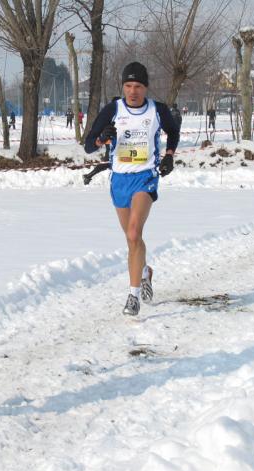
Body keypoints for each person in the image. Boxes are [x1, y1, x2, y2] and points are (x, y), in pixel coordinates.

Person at [83, 62, 179, 317]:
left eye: (138, 86)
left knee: (135, 232)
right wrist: (102, 138)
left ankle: (133, 295)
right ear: (123, 87)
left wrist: (169, 154)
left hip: (145, 177)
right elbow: (88, 146)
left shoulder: (157, 110)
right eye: (128, 85)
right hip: (119, 181)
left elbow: (173, 130)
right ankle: (145, 271)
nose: (132, 91)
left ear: (145, 88)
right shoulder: (113, 109)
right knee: (131, 238)